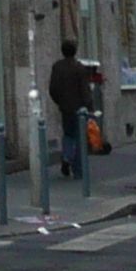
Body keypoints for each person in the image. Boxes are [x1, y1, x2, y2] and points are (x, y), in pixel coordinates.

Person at [46, 37, 93, 182]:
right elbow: (84, 89)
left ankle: (66, 157)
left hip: (65, 107)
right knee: (79, 138)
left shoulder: (57, 67)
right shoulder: (79, 67)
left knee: (68, 134)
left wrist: (59, 101)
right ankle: (77, 169)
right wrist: (88, 105)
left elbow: (52, 88)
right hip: (79, 108)